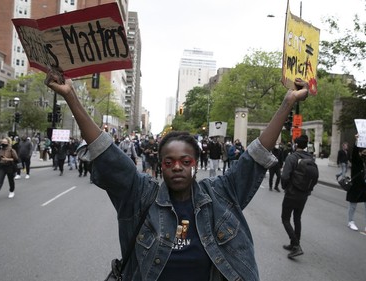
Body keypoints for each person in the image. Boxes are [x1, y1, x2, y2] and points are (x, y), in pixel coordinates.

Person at [45, 70, 309, 280]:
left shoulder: (221, 193)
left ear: (194, 163)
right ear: (161, 166)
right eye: (169, 162)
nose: (177, 167)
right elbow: (106, 153)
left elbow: (256, 155)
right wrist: (71, 97)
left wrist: (287, 103)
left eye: (185, 161)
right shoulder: (140, 196)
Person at [280, 134, 317, 259]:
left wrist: (285, 187)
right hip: (304, 194)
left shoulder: (292, 157)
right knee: (297, 218)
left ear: (296, 145)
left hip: (292, 192)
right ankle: (294, 243)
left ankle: (296, 246)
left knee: (285, 218)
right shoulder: (311, 158)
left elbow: (285, 176)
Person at [346, 135, 366, 232]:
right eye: (363, 150)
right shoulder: (356, 160)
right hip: (356, 185)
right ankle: (350, 221)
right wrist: (357, 141)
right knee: (353, 205)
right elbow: (354, 153)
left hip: (365, 186)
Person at [0, 137, 19, 202]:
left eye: (5, 142)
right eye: (2, 142)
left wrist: (7, 159)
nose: (3, 143)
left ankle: (11, 191)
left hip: (10, 167)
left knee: (10, 180)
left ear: (8, 143)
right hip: (2, 166)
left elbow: (16, 159)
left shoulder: (11, 150)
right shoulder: (0, 149)